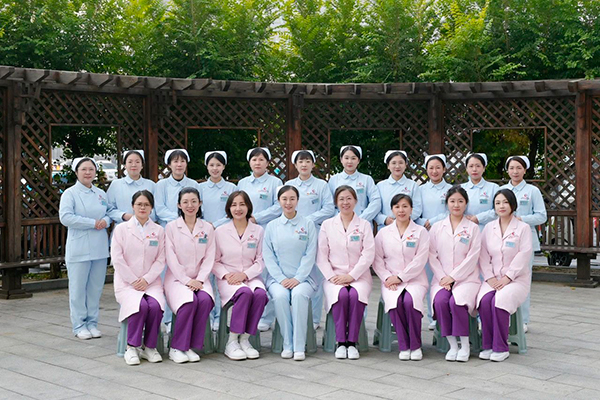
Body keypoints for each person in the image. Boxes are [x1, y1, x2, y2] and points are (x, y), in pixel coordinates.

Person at [317, 185, 375, 360]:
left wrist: (352, 276)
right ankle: (341, 342)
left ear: (356, 201)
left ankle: (352, 342)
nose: (345, 202)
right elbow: (322, 255)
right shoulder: (327, 225)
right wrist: (332, 277)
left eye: (349, 198)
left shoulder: (364, 225)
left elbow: (368, 254)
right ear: (336, 202)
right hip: (334, 276)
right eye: (341, 199)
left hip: (359, 276)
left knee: (355, 296)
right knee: (342, 296)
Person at [59, 157, 112, 339]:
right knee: (78, 289)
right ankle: (79, 325)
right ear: (76, 172)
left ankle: (92, 323)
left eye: (91, 169)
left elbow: (109, 212)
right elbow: (66, 217)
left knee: (95, 289)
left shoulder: (100, 194)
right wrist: (92, 223)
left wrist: (106, 221)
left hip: (99, 247)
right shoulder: (70, 194)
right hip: (79, 248)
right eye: (84, 169)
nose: (88, 172)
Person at [263, 185, 318, 361]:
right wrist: (281, 279)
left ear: (298, 201)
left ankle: (299, 346)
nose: (288, 203)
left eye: (292, 199)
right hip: (277, 280)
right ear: (279, 201)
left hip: (304, 279)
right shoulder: (272, 226)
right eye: (284, 199)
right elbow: (268, 256)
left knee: (298, 295)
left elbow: (310, 254)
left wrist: (298, 278)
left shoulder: (308, 224)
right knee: (280, 297)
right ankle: (288, 344)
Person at [111, 190, 166, 365]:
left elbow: (161, 259)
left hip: (151, 282)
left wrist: (146, 279)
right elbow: (117, 259)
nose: (143, 208)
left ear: (152, 207)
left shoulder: (158, 230)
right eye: (139, 204)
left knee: (155, 306)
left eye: (146, 205)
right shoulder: (121, 229)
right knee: (139, 306)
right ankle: (132, 347)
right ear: (133, 206)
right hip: (127, 282)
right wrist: (134, 280)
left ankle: (150, 347)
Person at [477, 189, 533, 362]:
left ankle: (501, 347)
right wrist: (489, 277)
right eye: (497, 203)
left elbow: (524, 254)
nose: (501, 206)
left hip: (516, 280)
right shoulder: (489, 228)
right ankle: (487, 344)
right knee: (484, 301)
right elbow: (483, 255)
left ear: (513, 205)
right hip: (493, 278)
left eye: (505, 202)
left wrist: (508, 277)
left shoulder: (523, 228)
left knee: (500, 300)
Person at [373, 194, 430, 361]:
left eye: (405, 206)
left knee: (410, 302)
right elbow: (377, 259)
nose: (401, 210)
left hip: (415, 279)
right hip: (390, 280)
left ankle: (415, 345)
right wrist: (387, 278)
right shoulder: (383, 233)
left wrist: (400, 277)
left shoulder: (421, 232)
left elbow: (420, 260)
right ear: (392, 210)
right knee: (396, 303)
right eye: (397, 207)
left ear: (412, 209)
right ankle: (404, 345)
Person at [428, 186, 481, 362]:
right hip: (442, 279)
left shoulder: (473, 228)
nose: (456, 205)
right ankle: (452, 345)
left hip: (467, 279)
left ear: (466, 204)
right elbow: (432, 255)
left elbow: (473, 257)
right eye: (452, 201)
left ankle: (465, 345)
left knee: (457, 302)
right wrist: (443, 277)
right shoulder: (437, 227)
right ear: (447, 203)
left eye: (460, 201)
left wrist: (454, 277)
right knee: (441, 302)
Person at [213, 190, 268, 361]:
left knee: (260, 294)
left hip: (250, 276)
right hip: (228, 278)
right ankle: (231, 341)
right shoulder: (220, 231)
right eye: (234, 205)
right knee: (244, 293)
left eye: (242, 204)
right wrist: (227, 275)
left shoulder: (258, 230)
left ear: (248, 207)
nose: (238, 208)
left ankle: (245, 339)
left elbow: (261, 260)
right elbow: (214, 261)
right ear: (228, 208)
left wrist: (245, 275)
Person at [164, 188, 215, 363]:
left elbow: (209, 257)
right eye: (185, 202)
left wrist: (199, 279)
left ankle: (191, 346)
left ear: (200, 203)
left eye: (194, 201)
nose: (190, 205)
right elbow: (171, 258)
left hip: (201, 279)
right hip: (177, 279)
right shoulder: (171, 228)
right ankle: (177, 347)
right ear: (179, 205)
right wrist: (187, 280)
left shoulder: (207, 228)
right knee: (188, 302)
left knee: (205, 300)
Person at [286, 149, 335, 330]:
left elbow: (329, 208)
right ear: (295, 164)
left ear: (313, 164)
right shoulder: (289, 185)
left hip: (315, 233)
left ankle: (314, 318)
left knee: (315, 275)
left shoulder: (322, 185)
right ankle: (293, 315)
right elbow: (282, 206)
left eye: (308, 161)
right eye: (300, 161)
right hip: (291, 235)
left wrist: (307, 220)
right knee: (293, 273)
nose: (304, 164)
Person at [237, 147, 283, 331]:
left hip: (268, 231)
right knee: (249, 269)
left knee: (267, 271)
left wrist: (257, 217)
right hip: (246, 231)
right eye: (254, 159)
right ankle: (249, 312)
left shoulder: (275, 182)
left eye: (261, 159)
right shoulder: (243, 183)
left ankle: (266, 316)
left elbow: (278, 206)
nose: (257, 162)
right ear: (249, 162)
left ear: (267, 163)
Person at [500, 156, 547, 331]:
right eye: (512, 168)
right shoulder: (502, 190)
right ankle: (504, 316)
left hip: (526, 241)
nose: (515, 171)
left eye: (519, 168)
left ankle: (523, 320)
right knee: (503, 278)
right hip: (504, 242)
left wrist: (521, 219)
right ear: (507, 170)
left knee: (523, 280)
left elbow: (541, 216)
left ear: (525, 170)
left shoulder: (532, 191)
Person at [198, 151, 237, 332]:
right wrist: (206, 225)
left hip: (224, 233)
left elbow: (233, 210)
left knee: (221, 275)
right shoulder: (200, 188)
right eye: (211, 165)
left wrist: (216, 225)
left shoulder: (231, 188)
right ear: (207, 167)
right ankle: (209, 314)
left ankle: (220, 317)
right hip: (203, 234)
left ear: (224, 167)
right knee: (206, 273)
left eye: (218, 165)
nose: (215, 168)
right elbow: (195, 209)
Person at [417, 154, 452, 330]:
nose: (434, 171)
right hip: (426, 234)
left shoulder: (452, 189)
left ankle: (449, 312)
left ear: (444, 169)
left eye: (438, 167)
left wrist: (434, 220)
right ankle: (433, 316)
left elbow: (453, 210)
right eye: (431, 168)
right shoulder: (420, 190)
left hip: (446, 234)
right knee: (430, 275)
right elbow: (415, 211)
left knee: (446, 273)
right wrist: (424, 222)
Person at [328, 145, 381, 224]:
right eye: (346, 158)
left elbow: (376, 201)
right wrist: (340, 219)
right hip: (339, 223)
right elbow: (330, 204)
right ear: (341, 159)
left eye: (353, 158)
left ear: (358, 160)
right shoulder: (333, 180)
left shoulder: (367, 179)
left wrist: (361, 219)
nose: (350, 161)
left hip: (363, 222)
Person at [375, 150, 422, 231]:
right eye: (393, 163)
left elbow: (417, 208)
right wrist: (384, 219)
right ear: (388, 166)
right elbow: (375, 208)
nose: (397, 166)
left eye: (401, 163)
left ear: (405, 165)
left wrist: (403, 220)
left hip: (408, 228)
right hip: (386, 228)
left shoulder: (413, 185)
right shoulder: (380, 186)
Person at [107, 150, 156, 226]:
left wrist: (143, 217)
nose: (134, 165)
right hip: (122, 227)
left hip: (146, 227)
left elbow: (157, 208)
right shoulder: (116, 184)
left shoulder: (151, 185)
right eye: (130, 162)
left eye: (137, 162)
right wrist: (123, 216)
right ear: (125, 165)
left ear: (142, 165)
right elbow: (108, 208)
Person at [155, 149, 200, 227]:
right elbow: (160, 209)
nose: (179, 165)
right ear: (169, 165)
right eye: (175, 161)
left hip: (190, 226)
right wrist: (180, 218)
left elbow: (199, 206)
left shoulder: (194, 184)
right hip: (167, 226)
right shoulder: (161, 185)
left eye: (182, 161)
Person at [460, 152, 498, 229]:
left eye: (478, 166)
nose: (474, 169)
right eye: (471, 166)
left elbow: (498, 210)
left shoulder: (494, 188)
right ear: (466, 169)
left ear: (483, 168)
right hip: (465, 228)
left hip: (488, 229)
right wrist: (466, 218)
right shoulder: (460, 188)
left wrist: (478, 218)